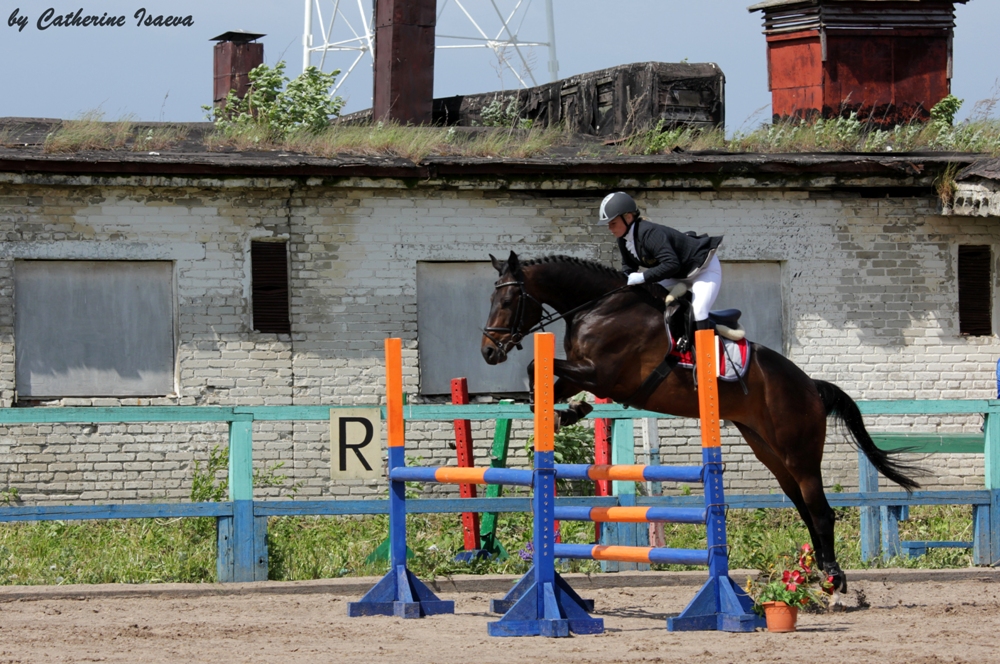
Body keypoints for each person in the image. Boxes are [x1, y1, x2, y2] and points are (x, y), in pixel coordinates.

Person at [599, 191, 723, 332]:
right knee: (649, 297)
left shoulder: (649, 232)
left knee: (699, 312)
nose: (610, 228)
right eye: (609, 224)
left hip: (703, 269)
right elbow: (628, 265)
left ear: (628, 217)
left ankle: (706, 346)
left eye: (613, 223)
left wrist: (642, 277)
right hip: (677, 275)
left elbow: (672, 264)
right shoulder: (623, 239)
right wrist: (625, 280)